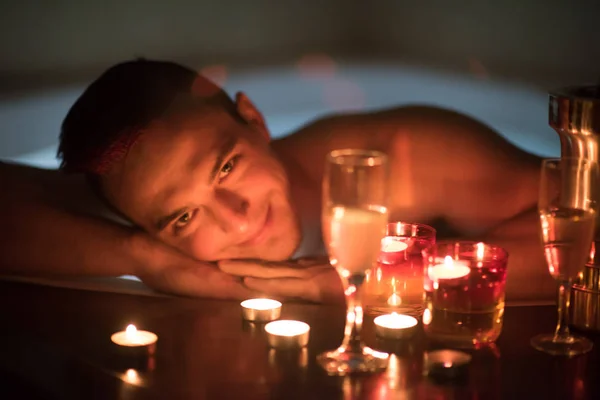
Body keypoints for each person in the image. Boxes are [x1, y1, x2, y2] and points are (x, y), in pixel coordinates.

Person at [0, 59, 556, 303]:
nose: (237, 217)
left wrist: (385, 277)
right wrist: (145, 258)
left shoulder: (406, 156)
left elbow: (585, 230)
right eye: (184, 217)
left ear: (256, 120)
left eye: (225, 167)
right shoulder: (137, 200)